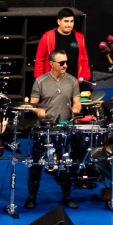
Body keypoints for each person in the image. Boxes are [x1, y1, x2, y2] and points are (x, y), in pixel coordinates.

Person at [25, 50, 82, 210]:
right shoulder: (41, 82)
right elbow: (33, 104)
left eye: (66, 62)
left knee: (65, 163)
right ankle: (32, 197)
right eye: (61, 63)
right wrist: (38, 111)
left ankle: (66, 196)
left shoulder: (72, 81)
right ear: (51, 64)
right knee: (37, 164)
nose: (65, 65)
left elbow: (77, 102)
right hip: (44, 129)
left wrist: (76, 109)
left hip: (64, 129)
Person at [34, 8, 91, 86]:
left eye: (71, 21)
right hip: (52, 83)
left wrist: (85, 79)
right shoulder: (47, 37)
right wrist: (40, 81)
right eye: (66, 21)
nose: (69, 25)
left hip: (74, 83)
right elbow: (40, 61)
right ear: (59, 21)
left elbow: (84, 60)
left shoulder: (79, 38)